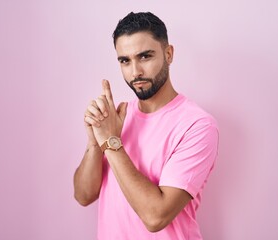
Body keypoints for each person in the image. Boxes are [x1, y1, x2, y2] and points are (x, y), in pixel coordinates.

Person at [73, 12, 219, 240]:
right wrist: (95, 142)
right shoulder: (118, 118)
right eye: (125, 61)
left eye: (145, 56)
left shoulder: (197, 125)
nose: (135, 72)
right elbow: (84, 196)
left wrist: (112, 142)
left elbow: (155, 217)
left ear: (168, 54)